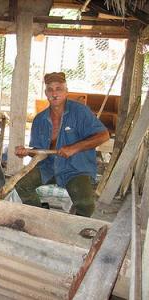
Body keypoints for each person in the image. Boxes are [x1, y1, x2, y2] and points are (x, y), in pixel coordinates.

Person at [15, 72, 109, 217]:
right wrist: (27, 152)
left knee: (86, 206)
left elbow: (104, 135)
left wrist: (74, 148)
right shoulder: (39, 119)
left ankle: (73, 228)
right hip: (49, 166)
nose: (54, 93)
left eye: (58, 88)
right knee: (21, 184)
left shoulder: (80, 111)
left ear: (66, 92)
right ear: (46, 93)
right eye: (50, 89)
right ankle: (41, 216)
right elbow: (40, 152)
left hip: (76, 167)